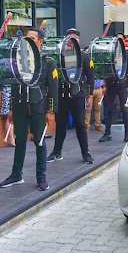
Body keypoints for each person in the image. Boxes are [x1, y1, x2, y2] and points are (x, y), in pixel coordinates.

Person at [0, 28, 58, 191]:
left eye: (32, 38)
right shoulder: (18, 59)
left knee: (39, 141)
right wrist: (11, 108)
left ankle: (41, 177)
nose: (27, 41)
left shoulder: (48, 62)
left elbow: (53, 88)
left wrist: (51, 110)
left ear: (40, 42)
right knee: (20, 141)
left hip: (39, 105)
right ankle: (16, 175)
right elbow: (13, 84)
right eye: (26, 38)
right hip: (20, 105)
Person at [47, 28, 95, 165]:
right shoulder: (59, 55)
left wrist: (89, 94)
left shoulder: (84, 56)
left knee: (80, 124)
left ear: (78, 40)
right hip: (61, 94)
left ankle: (86, 153)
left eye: (76, 38)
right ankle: (57, 152)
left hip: (78, 93)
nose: (73, 40)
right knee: (60, 124)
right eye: (70, 37)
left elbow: (91, 76)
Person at [99, 33, 128, 143]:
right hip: (111, 83)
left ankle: (127, 133)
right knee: (109, 109)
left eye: (121, 39)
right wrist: (104, 85)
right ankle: (107, 133)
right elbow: (106, 70)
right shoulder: (110, 53)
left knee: (124, 109)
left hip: (123, 84)